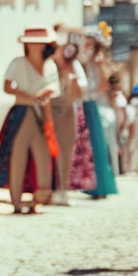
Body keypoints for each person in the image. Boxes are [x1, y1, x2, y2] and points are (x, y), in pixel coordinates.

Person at [0, 27, 60, 214]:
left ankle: (40, 198)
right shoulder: (18, 63)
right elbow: (7, 86)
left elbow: (56, 86)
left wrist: (45, 93)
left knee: (42, 154)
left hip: (42, 113)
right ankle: (16, 200)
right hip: (22, 111)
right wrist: (26, 95)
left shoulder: (50, 65)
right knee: (18, 154)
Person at [75, 28, 118, 198]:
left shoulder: (96, 61)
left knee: (96, 146)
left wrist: (99, 67)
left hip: (91, 104)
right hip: (82, 103)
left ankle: (99, 185)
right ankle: (87, 184)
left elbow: (102, 87)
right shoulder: (81, 59)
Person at [50, 38, 94, 203]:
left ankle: (62, 188)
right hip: (49, 110)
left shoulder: (74, 67)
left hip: (68, 110)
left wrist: (71, 78)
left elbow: (78, 94)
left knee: (67, 150)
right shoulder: (49, 65)